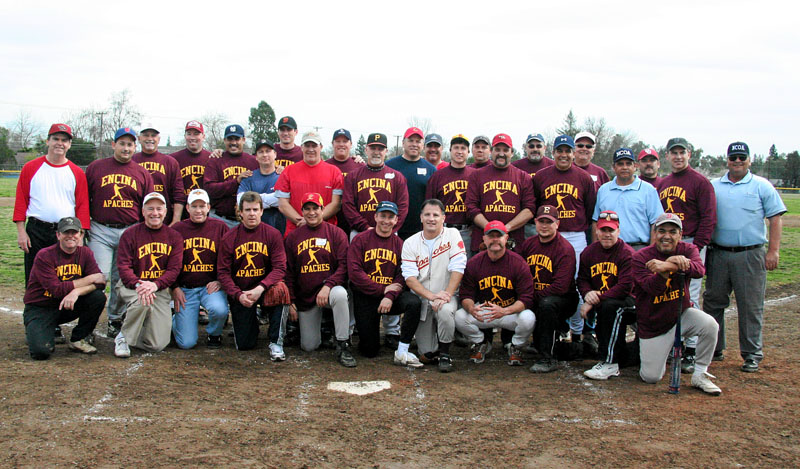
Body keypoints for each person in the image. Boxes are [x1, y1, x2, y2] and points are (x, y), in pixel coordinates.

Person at [703, 142, 786, 373]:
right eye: (733, 157)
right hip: (718, 252)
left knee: (750, 305)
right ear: (727, 160)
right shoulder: (714, 186)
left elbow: (776, 219)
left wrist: (773, 251)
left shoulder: (762, 186)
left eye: (742, 157)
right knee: (713, 302)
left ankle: (751, 353)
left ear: (749, 160)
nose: (737, 161)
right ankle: (714, 348)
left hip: (750, 253)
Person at [14, 123, 91, 343]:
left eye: (64, 140)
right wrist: (21, 231)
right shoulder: (31, 167)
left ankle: (56, 320)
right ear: (48, 141)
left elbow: (82, 205)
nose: (60, 143)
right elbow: (22, 200)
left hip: (66, 232)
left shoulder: (76, 171)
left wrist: (81, 237)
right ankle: (37, 319)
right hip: (37, 229)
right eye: (55, 138)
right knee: (35, 277)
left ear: (69, 145)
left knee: (64, 276)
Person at [633, 213, 721, 395]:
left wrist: (669, 265)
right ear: (654, 233)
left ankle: (700, 373)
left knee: (710, 325)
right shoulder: (641, 257)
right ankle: (643, 349)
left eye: (673, 232)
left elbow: (699, 271)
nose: (667, 236)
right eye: (662, 231)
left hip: (681, 315)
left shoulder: (687, 249)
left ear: (680, 235)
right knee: (651, 377)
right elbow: (652, 288)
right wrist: (665, 272)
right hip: (654, 323)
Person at [85, 127, 155, 338]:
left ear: (135, 147)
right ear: (113, 144)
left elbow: (148, 204)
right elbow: (83, 198)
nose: (126, 148)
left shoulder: (142, 172)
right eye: (122, 143)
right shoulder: (96, 167)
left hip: (130, 230)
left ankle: (115, 319)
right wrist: (83, 227)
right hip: (101, 229)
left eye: (130, 144)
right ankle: (86, 325)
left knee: (121, 279)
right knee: (98, 277)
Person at [658, 137, 717, 372]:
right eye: (674, 153)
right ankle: (674, 345)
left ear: (689, 154)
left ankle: (690, 350)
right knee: (669, 294)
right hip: (666, 243)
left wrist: (696, 248)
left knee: (689, 296)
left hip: (690, 242)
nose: (678, 156)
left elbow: (708, 218)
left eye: (682, 152)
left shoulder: (701, 182)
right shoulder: (663, 183)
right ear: (668, 156)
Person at [533, 135, 597, 349]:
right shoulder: (541, 176)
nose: (563, 154)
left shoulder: (584, 177)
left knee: (577, 282)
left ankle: (578, 333)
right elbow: (536, 204)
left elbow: (588, 210)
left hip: (576, 233)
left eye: (567, 150)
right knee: (546, 277)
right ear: (553, 152)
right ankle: (559, 328)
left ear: (573, 153)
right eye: (559, 150)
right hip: (547, 233)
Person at [347, 201, 423, 366]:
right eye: (383, 216)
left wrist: (389, 296)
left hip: (390, 296)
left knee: (414, 303)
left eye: (390, 217)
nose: (386, 221)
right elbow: (355, 273)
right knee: (369, 351)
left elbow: (403, 275)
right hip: (367, 296)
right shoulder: (360, 240)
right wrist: (381, 290)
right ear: (375, 217)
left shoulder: (400, 244)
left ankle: (403, 347)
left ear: (396, 220)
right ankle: (369, 336)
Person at [284, 193, 353, 366]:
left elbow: (344, 266)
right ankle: (322, 330)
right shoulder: (293, 237)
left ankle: (343, 343)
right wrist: (291, 299)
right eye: (307, 209)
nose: (311, 212)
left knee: (340, 294)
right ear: (302, 211)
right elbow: (289, 271)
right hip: (306, 296)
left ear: (323, 209)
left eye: (315, 208)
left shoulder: (336, 233)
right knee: (309, 346)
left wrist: (328, 285)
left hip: (329, 291)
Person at [22, 217, 106, 359]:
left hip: (66, 305)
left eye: (74, 233)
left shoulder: (85, 253)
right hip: (41, 307)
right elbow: (56, 290)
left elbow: (101, 283)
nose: (70, 236)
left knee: (97, 297)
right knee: (41, 352)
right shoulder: (45, 255)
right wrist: (90, 279)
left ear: (80, 235)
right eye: (66, 232)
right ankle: (37, 329)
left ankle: (78, 339)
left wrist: (76, 292)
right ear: (58, 235)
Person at [455, 220, 536, 366]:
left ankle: (516, 346)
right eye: (491, 236)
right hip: (485, 312)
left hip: (509, 311)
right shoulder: (474, 263)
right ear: (484, 239)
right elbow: (466, 295)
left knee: (528, 318)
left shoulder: (518, 263)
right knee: (460, 316)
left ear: (506, 238)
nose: (495, 240)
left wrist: (505, 311)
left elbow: (526, 298)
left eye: (498, 236)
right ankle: (480, 342)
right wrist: (471, 308)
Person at [218, 191, 288, 358]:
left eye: (255, 210)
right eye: (248, 210)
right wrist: (237, 295)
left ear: (262, 211)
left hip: (265, 288)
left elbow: (279, 268)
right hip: (242, 291)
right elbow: (223, 273)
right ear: (240, 212)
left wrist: (261, 288)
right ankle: (251, 321)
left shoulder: (272, 234)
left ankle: (276, 342)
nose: (252, 214)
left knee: (281, 290)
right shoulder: (229, 237)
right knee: (245, 345)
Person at [113, 192, 184, 357]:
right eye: (150, 209)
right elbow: (123, 267)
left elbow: (174, 270)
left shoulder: (174, 236)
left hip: (158, 288)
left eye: (159, 209)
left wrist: (155, 285)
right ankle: (123, 337)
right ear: (143, 211)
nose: (155, 213)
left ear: (166, 212)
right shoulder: (130, 234)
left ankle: (135, 326)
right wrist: (139, 285)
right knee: (142, 302)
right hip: (132, 286)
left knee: (156, 345)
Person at [401, 199, 467, 372]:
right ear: (421, 217)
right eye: (427, 215)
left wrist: (446, 294)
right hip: (423, 299)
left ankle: (444, 353)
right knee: (426, 352)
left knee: (445, 311)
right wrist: (431, 296)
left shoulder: (452, 234)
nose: (432, 218)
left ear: (443, 218)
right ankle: (437, 348)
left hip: (447, 295)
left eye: (436, 215)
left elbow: (458, 267)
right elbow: (410, 278)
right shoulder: (410, 242)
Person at [519, 206, 579, 373]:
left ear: (557, 224)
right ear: (535, 222)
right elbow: (520, 274)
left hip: (562, 300)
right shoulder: (528, 244)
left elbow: (560, 287)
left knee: (547, 305)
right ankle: (524, 344)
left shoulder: (565, 249)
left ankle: (548, 358)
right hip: (538, 297)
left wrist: (530, 298)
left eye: (549, 222)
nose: (544, 226)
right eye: (541, 221)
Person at [579, 211, 636, 380]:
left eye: (611, 231)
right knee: (607, 307)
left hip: (632, 302)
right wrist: (587, 294)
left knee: (611, 308)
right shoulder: (589, 252)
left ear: (618, 231)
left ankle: (610, 363)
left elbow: (625, 287)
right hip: (605, 301)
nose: (607, 234)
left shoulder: (627, 253)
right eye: (603, 230)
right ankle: (610, 356)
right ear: (596, 231)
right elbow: (582, 279)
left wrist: (596, 299)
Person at [171, 189, 230, 349]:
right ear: (188, 208)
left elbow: (228, 257)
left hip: (209, 286)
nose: (198, 210)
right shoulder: (177, 229)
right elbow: (169, 262)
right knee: (186, 344)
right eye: (194, 206)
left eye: (202, 206)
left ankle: (214, 334)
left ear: (208, 207)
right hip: (186, 289)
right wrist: (175, 287)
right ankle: (177, 320)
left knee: (219, 310)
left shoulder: (220, 227)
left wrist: (220, 280)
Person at [465, 133, 536, 254]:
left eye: (505, 150)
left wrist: (506, 228)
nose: (501, 153)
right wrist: (490, 229)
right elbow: (471, 207)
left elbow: (529, 209)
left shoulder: (523, 177)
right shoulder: (477, 175)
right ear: (491, 151)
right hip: (483, 241)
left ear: (512, 152)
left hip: (513, 241)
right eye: (497, 149)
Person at [275, 131, 344, 236]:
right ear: (302, 147)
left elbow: (336, 204)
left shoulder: (334, 172)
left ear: (321, 147)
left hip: (326, 233)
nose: (310, 149)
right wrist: (302, 222)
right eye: (307, 145)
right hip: (296, 232)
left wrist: (314, 220)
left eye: (314, 145)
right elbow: (283, 204)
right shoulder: (288, 171)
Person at [592, 148, 663, 249]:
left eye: (628, 164)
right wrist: (596, 248)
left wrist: (651, 252)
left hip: (638, 247)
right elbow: (596, 221)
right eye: (620, 164)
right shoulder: (604, 190)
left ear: (635, 166)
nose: (624, 167)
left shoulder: (648, 190)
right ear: (613, 167)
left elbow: (656, 223)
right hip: (609, 248)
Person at [342, 132, 408, 239]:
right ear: (366, 150)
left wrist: (389, 228)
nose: (376, 152)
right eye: (373, 148)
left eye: (380, 149)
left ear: (386, 151)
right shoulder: (353, 176)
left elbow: (403, 207)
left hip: (389, 232)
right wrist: (365, 227)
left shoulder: (397, 177)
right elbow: (348, 206)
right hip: (359, 232)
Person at [425, 134, 475, 253]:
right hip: (443, 230)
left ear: (468, 152)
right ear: (450, 150)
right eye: (456, 148)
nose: (459, 152)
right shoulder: (438, 176)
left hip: (467, 232)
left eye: (463, 148)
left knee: (465, 269)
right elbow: (429, 205)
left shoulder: (475, 175)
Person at [386, 127, 436, 240]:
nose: (414, 144)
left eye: (418, 141)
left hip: (421, 229)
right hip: (393, 227)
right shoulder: (390, 166)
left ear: (423, 145)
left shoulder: (431, 169)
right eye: (411, 140)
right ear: (403, 143)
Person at [203, 124, 258, 228]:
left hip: (248, 221)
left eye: (237, 139)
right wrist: (236, 181)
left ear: (244, 140)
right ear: (224, 140)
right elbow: (209, 189)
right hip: (220, 219)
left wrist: (279, 169)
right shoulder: (215, 160)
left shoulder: (253, 161)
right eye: (230, 139)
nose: (233, 142)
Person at [132, 124, 185, 225]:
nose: (150, 138)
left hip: (164, 220)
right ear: (139, 139)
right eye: (146, 135)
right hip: (137, 220)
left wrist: (176, 220)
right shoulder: (132, 161)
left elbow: (178, 193)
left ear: (159, 139)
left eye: (153, 135)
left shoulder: (170, 162)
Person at [237, 139, 285, 234]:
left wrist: (252, 200)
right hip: (252, 232)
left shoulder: (283, 177)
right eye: (260, 152)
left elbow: (282, 200)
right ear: (256, 157)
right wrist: (272, 198)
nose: (265, 155)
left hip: (278, 229)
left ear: (275, 154)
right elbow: (240, 201)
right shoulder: (248, 177)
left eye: (268, 151)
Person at [325, 128, 365, 235]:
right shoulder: (324, 166)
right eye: (338, 141)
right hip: (330, 218)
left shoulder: (359, 166)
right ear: (332, 144)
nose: (341, 144)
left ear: (351, 144)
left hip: (354, 219)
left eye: (345, 141)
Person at [170, 120, 212, 204]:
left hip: (205, 209)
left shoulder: (212, 158)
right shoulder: (173, 159)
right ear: (185, 136)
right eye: (189, 134)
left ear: (203, 136)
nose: (192, 137)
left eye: (196, 134)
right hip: (182, 208)